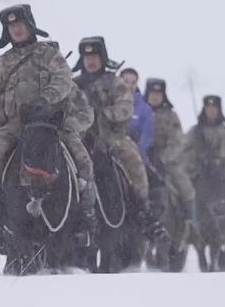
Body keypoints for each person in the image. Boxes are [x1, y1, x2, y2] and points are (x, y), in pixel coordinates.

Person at [0, 4, 98, 235]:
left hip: (51, 123)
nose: (17, 30)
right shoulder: (1, 64)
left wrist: (45, 101)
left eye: (20, 24)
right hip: (14, 126)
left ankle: (86, 215)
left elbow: (63, 80)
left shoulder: (49, 55)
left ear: (30, 25)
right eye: (11, 26)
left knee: (83, 160)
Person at [72, 37, 170, 244]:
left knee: (133, 159)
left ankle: (143, 212)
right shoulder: (74, 85)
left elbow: (126, 108)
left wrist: (105, 111)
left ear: (102, 57)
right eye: (87, 56)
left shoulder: (115, 82)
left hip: (111, 138)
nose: (91, 61)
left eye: (95, 56)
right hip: (80, 139)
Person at [144, 78, 197, 225]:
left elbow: (178, 141)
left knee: (184, 185)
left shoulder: (171, 116)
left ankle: (189, 221)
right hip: (141, 158)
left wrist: (163, 158)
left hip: (165, 161)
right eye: (152, 93)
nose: (155, 97)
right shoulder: (139, 112)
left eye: (158, 93)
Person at [179, 95, 225, 179]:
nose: (211, 111)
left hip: (219, 175)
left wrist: (215, 163)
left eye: (214, 108)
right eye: (208, 108)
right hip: (196, 174)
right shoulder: (195, 131)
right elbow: (182, 150)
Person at [119, 67, 154, 163]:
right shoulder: (110, 103)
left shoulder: (144, 109)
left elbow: (147, 135)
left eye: (133, 82)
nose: (130, 86)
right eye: (126, 82)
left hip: (136, 157)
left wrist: (137, 150)